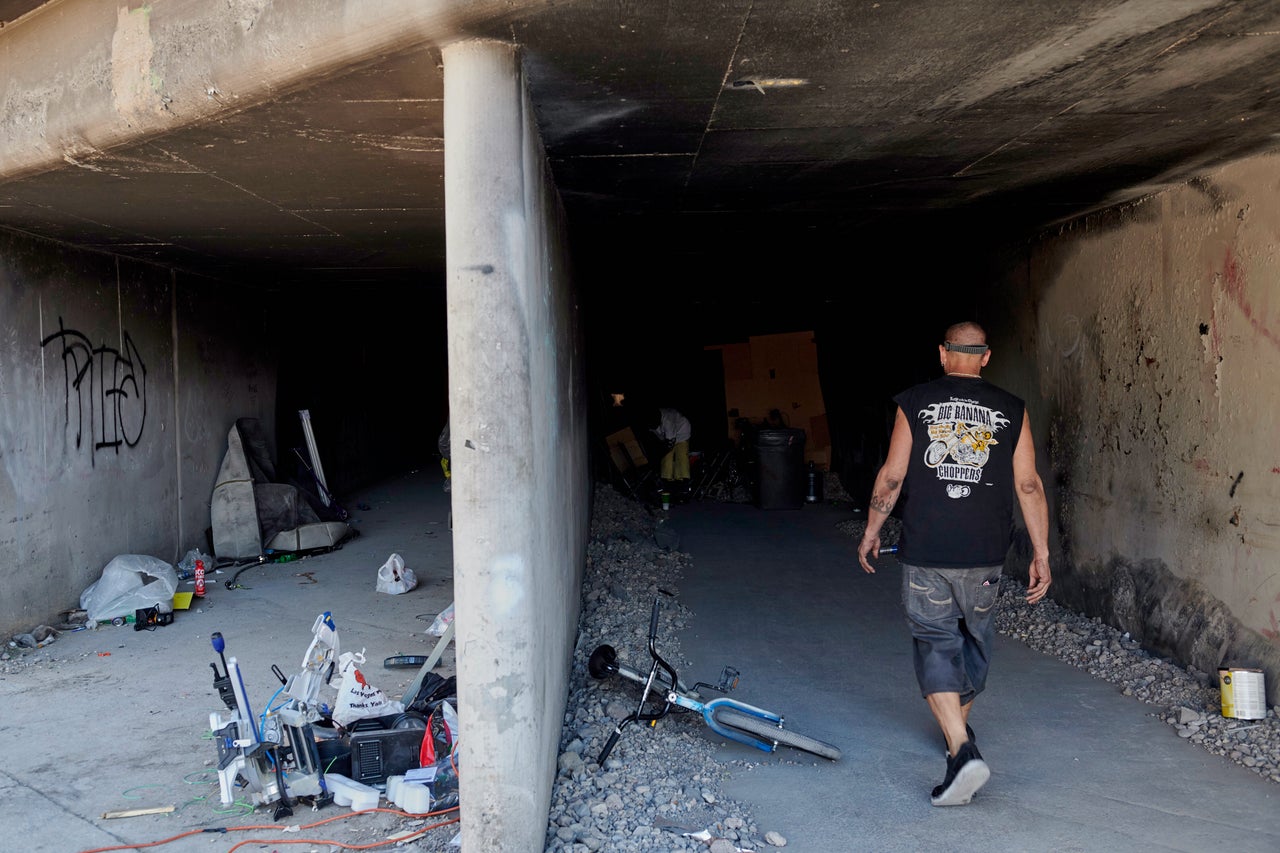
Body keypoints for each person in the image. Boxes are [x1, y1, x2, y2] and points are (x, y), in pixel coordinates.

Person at [857, 321, 1052, 807]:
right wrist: (1042, 552)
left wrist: (872, 530)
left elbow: (893, 474)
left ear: (943, 353)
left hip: (928, 547)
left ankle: (962, 749)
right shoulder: (1012, 408)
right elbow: (1028, 484)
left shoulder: (916, 401)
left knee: (935, 641)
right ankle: (956, 743)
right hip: (984, 553)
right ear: (985, 357)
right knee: (974, 644)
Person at [649, 407, 693, 501]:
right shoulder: (651, 419)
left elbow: (669, 444)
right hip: (669, 435)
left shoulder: (667, 422)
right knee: (666, 461)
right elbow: (658, 436)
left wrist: (659, 456)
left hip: (682, 432)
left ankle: (682, 484)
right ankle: (667, 482)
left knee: (681, 459)